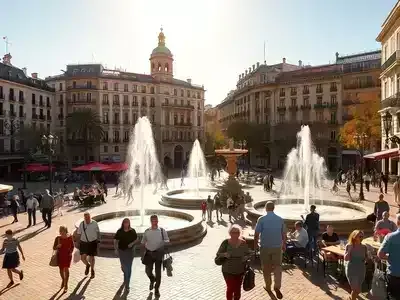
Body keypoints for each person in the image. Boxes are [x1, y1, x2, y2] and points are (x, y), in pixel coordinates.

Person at [254, 201, 285, 299]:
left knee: (266, 268)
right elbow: (284, 234)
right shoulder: (280, 219)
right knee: (277, 267)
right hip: (277, 247)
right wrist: (284, 244)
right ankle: (277, 286)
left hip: (265, 247)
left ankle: (268, 286)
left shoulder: (261, 219)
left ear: (266, 208)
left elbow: (256, 234)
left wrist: (255, 245)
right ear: (274, 208)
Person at [216, 224, 250, 300]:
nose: (235, 234)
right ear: (230, 233)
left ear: (239, 233)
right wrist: (224, 254)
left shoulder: (243, 243)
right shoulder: (225, 242)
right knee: (230, 288)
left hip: (240, 270)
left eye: (237, 232)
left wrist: (246, 258)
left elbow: (248, 254)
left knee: (237, 289)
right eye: (233, 232)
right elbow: (218, 254)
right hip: (228, 270)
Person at [141, 215, 170, 298]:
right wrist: (142, 254)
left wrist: (163, 243)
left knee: (158, 274)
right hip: (149, 254)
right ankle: (152, 279)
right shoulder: (147, 231)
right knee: (148, 271)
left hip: (158, 254)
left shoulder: (162, 231)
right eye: (153, 220)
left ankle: (157, 289)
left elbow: (167, 241)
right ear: (151, 221)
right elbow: (143, 243)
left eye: (156, 220)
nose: (155, 222)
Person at [378, 213, 400, 300]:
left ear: (398, 222)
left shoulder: (390, 237)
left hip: (394, 273)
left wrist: (390, 257)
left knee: (393, 297)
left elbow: (380, 254)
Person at [114, 218, 139, 292]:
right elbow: (115, 240)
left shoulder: (132, 231)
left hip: (130, 252)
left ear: (129, 223)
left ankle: (127, 284)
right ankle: (126, 278)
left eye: (127, 223)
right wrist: (115, 249)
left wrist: (132, 243)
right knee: (125, 268)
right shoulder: (120, 231)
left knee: (129, 268)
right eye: (125, 223)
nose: (126, 224)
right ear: (123, 223)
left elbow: (137, 239)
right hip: (122, 251)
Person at [344, 230, 367, 300]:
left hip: (361, 269)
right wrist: (350, 250)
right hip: (352, 269)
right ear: (354, 237)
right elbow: (346, 258)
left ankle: (350, 298)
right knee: (355, 289)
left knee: (358, 290)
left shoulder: (364, 247)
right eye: (359, 236)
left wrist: (367, 258)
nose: (361, 237)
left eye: (362, 236)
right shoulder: (349, 245)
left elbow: (365, 257)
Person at [77, 212, 100, 279]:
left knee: (92, 258)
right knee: (82, 258)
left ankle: (92, 270)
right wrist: (78, 242)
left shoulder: (94, 223)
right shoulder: (82, 224)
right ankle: (87, 265)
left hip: (93, 242)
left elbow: (98, 232)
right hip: (84, 243)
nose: (87, 219)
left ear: (90, 217)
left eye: (88, 217)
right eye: (86, 218)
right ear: (84, 218)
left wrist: (98, 241)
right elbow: (79, 233)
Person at [53, 226, 74, 292]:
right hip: (60, 256)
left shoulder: (70, 237)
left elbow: (72, 246)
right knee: (61, 269)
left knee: (66, 269)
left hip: (67, 256)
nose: (62, 233)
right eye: (61, 231)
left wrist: (71, 252)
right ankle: (63, 279)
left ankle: (66, 285)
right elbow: (54, 248)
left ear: (66, 231)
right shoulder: (58, 238)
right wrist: (57, 246)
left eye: (64, 231)